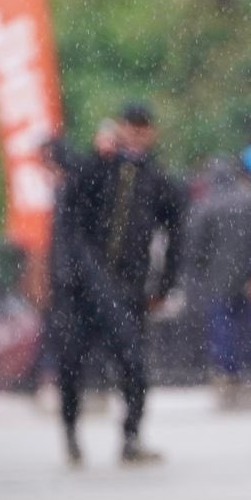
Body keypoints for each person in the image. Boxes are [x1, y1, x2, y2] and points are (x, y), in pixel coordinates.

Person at [47, 104, 184, 466]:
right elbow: (70, 204)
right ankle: (71, 432)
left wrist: (164, 285)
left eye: (143, 129)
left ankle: (132, 435)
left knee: (134, 364)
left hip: (128, 288)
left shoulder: (157, 179)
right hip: (83, 287)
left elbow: (176, 233)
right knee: (72, 363)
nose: (136, 136)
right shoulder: (96, 169)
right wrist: (97, 156)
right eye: (131, 128)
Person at [181, 152, 251, 402]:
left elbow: (195, 243)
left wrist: (199, 270)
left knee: (223, 325)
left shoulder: (206, 204)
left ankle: (227, 369)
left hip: (219, 276)